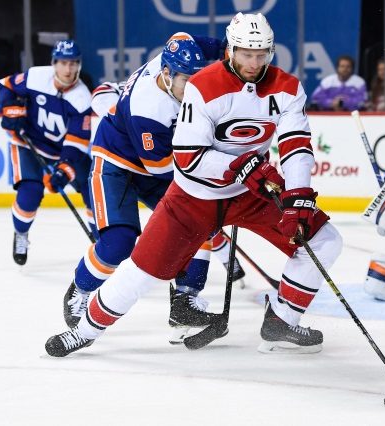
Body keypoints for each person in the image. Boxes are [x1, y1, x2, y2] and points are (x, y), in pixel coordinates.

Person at [45, 12, 343, 358]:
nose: (254, 63)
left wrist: (298, 196)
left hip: (248, 191)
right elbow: (185, 159)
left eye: (261, 54)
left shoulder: (287, 87)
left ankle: (279, 320)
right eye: (246, 53)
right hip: (190, 192)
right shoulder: (197, 88)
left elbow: (295, 145)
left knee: (325, 240)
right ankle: (84, 330)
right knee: (140, 266)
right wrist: (242, 166)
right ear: (232, 51)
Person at [61, 33, 246, 343]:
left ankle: (184, 304)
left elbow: (198, 41)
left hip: (158, 157)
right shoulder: (149, 109)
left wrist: (230, 50)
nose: (195, 87)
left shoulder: (178, 53)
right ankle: (80, 290)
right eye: (188, 80)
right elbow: (163, 168)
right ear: (166, 74)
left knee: (197, 221)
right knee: (119, 244)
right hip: (118, 165)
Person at [0, 40, 96, 265]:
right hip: (28, 142)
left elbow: (77, 140)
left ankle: (102, 244)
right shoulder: (35, 77)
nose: (68, 70)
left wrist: (65, 168)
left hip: (63, 150)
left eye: (73, 64)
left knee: (93, 190)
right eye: (63, 63)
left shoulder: (82, 97)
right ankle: (21, 234)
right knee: (30, 193)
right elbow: (5, 85)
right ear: (53, 63)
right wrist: (11, 109)